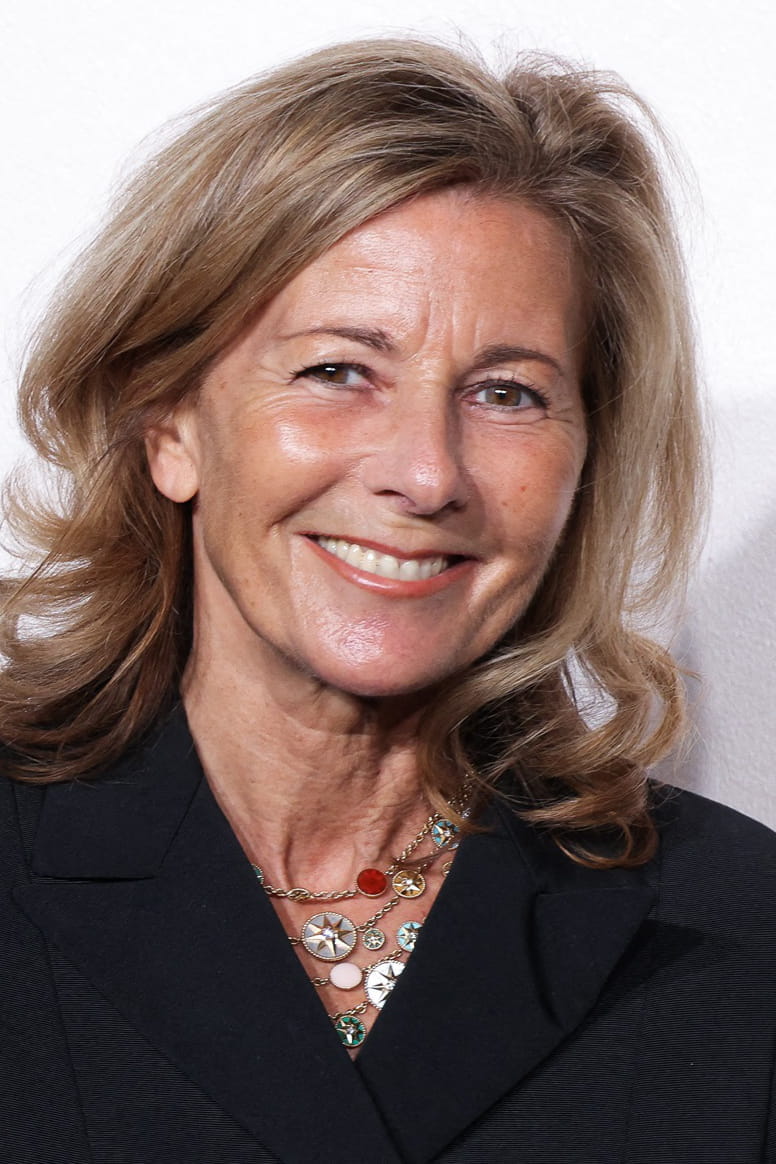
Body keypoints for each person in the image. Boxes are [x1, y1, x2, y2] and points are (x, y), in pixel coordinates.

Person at [0, 36, 773, 1164]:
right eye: (337, 371)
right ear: (169, 424)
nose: (425, 472)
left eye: (506, 394)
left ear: (583, 465)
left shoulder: (740, 931)